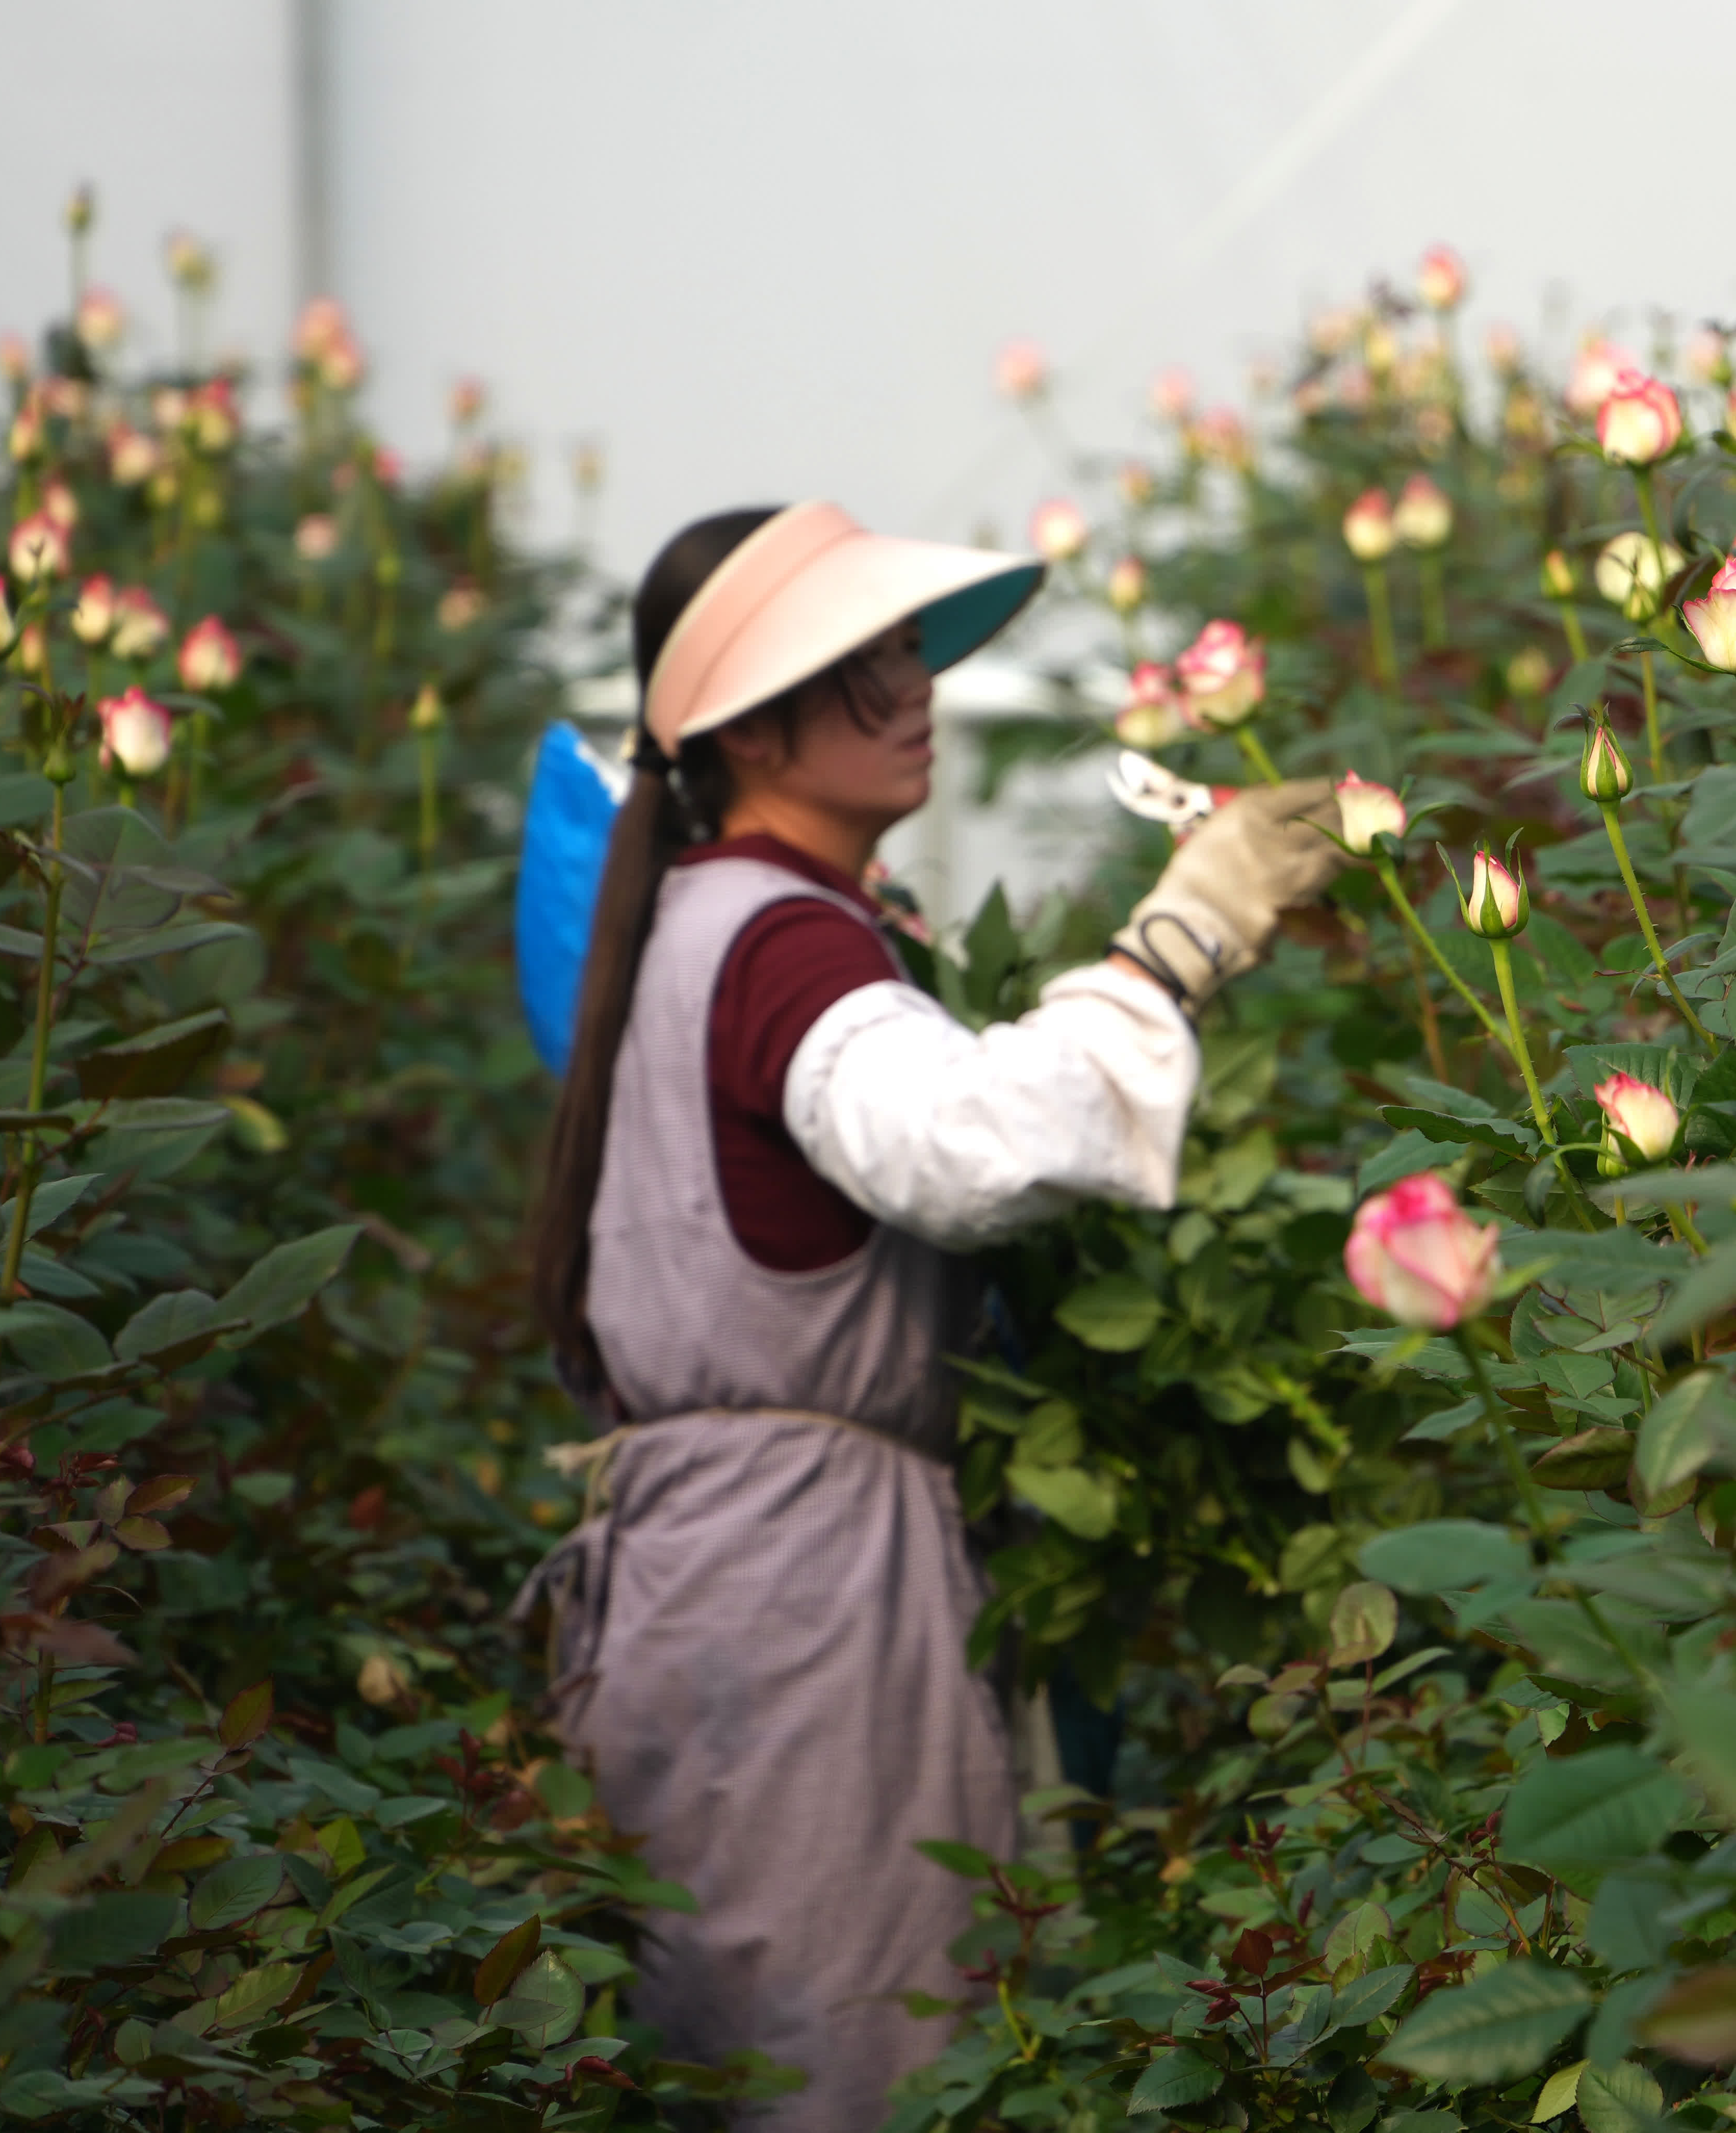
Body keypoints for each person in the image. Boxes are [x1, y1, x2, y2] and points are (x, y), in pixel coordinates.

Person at [522, 502, 1343, 2129]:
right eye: (864, 662)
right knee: (855, 2064)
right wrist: (1173, 940)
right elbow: (965, 1149)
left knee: (751, 2054)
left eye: (911, 652)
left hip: (709, 1576)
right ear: (751, 726)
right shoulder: (781, 942)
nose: (917, 689)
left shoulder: (688, 927)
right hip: (810, 1598)